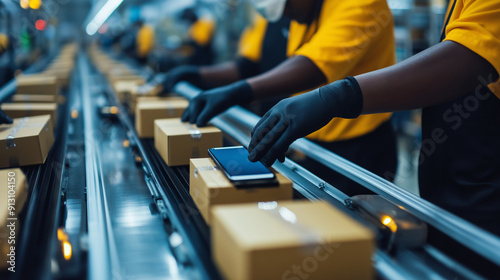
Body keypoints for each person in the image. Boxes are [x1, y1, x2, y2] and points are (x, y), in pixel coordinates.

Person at [248, 0, 500, 276]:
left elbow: (469, 58)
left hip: (482, 188)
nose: (291, 17)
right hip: (456, 184)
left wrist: (336, 97)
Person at [158, 0, 398, 196]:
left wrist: (238, 91)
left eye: (289, 8)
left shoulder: (362, 4)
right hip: (308, 143)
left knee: (351, 235)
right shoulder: (298, 9)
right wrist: (199, 75)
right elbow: (249, 65)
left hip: (358, 150)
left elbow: (313, 66)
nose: (287, 16)